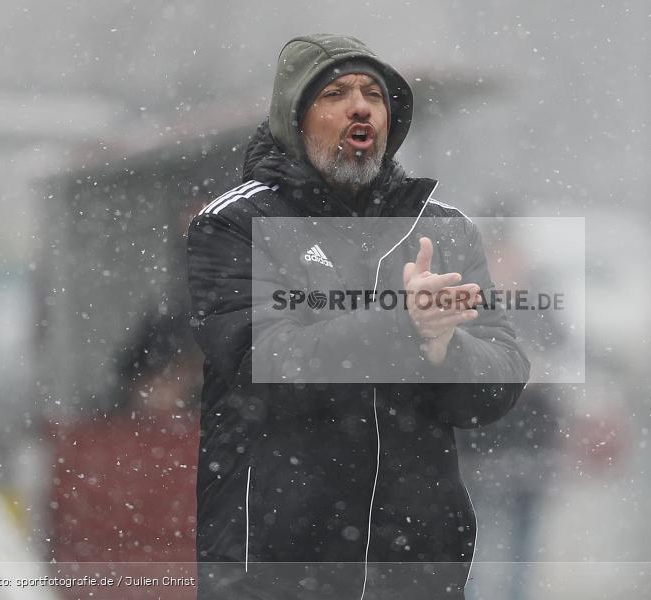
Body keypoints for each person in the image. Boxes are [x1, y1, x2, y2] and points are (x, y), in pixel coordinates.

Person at [186, 34, 530, 599]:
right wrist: (404, 326)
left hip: (416, 566)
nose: (361, 106)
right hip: (275, 565)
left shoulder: (443, 227)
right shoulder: (233, 223)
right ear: (294, 119)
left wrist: (446, 351)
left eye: (374, 93)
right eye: (335, 93)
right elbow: (266, 360)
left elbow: (501, 378)